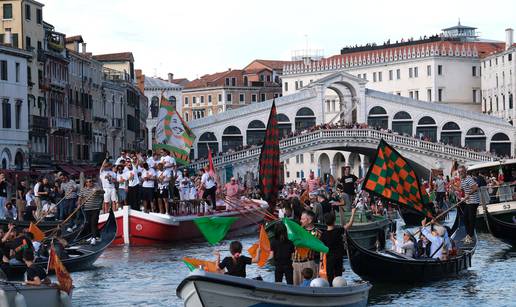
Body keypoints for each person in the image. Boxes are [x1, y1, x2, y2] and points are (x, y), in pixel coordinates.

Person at [320, 208, 356, 286]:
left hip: (329, 257)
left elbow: (322, 248)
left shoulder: (323, 235)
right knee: (338, 276)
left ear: (325, 222)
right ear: (334, 221)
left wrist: (321, 261)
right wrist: (353, 213)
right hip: (338, 257)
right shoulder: (338, 231)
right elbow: (349, 224)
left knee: (330, 277)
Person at [292, 210, 321, 286]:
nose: (300, 221)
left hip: (308, 263)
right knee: (296, 287)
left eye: (303, 219)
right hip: (296, 262)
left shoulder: (317, 233)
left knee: (309, 287)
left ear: (310, 220)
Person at [457, 165, 479, 244]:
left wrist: (468, 194)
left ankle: (470, 236)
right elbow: (462, 189)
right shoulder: (462, 179)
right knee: (465, 217)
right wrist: (454, 189)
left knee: (471, 218)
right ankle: (468, 235)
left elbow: (475, 188)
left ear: (465, 171)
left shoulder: (469, 179)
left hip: (473, 201)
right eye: (459, 172)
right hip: (468, 201)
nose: (460, 173)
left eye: (462, 172)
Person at [79, 178, 104, 245]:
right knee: (89, 223)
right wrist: (79, 204)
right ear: (86, 183)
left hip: (95, 208)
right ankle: (97, 236)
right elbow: (80, 198)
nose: (90, 182)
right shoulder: (83, 190)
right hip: (86, 209)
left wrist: (97, 190)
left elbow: (103, 192)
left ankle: (93, 238)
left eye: (91, 181)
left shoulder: (96, 187)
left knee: (93, 223)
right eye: (88, 181)